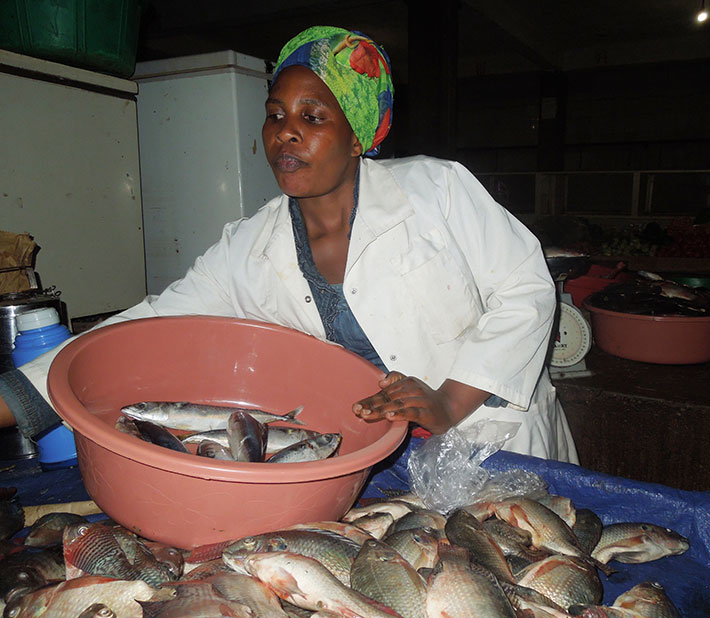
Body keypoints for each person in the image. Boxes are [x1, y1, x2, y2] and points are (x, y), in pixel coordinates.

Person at [0, 26, 578, 462]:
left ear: (358, 138)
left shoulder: (437, 190)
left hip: (495, 437)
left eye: (313, 115)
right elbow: (145, 327)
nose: (286, 132)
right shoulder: (251, 248)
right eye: (275, 115)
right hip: (380, 457)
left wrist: (451, 400)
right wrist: (18, 400)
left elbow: (526, 290)